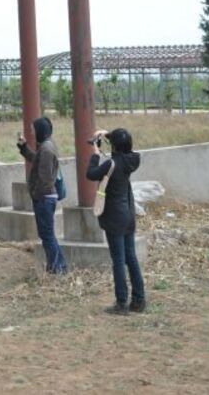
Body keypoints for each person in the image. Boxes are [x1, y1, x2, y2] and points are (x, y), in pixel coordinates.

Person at [87, 127, 146, 315]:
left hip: (114, 217)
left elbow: (91, 174)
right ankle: (139, 300)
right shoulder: (133, 160)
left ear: (114, 146)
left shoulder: (110, 164)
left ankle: (121, 303)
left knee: (118, 261)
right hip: (128, 215)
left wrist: (95, 153)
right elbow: (124, 147)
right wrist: (108, 135)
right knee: (131, 258)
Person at [17, 116, 67, 274]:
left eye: (33, 130)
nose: (32, 133)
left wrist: (35, 195)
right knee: (48, 235)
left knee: (47, 236)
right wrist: (24, 148)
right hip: (46, 197)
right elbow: (35, 159)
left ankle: (55, 269)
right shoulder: (47, 146)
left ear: (40, 131)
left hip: (44, 198)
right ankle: (60, 266)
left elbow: (45, 179)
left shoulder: (46, 149)